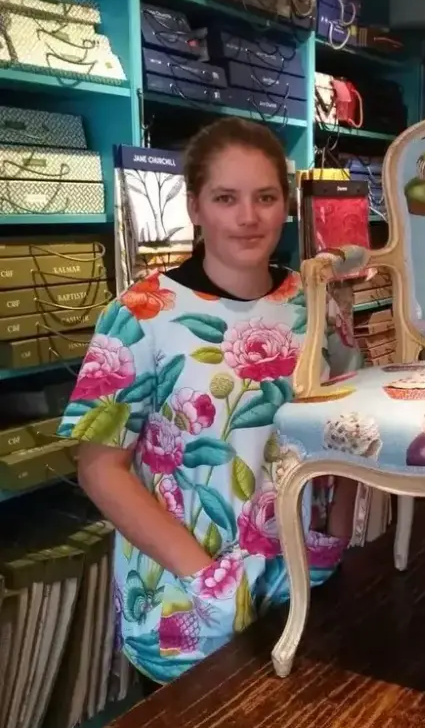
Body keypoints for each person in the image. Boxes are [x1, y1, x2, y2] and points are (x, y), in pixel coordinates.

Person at [58, 118, 360, 688]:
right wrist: (207, 581)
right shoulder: (141, 313)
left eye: (265, 197)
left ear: (285, 206)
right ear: (194, 206)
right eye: (226, 198)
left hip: (305, 585)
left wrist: (335, 534)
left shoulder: (316, 306)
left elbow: (354, 425)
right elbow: (100, 470)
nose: (248, 217)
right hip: (188, 605)